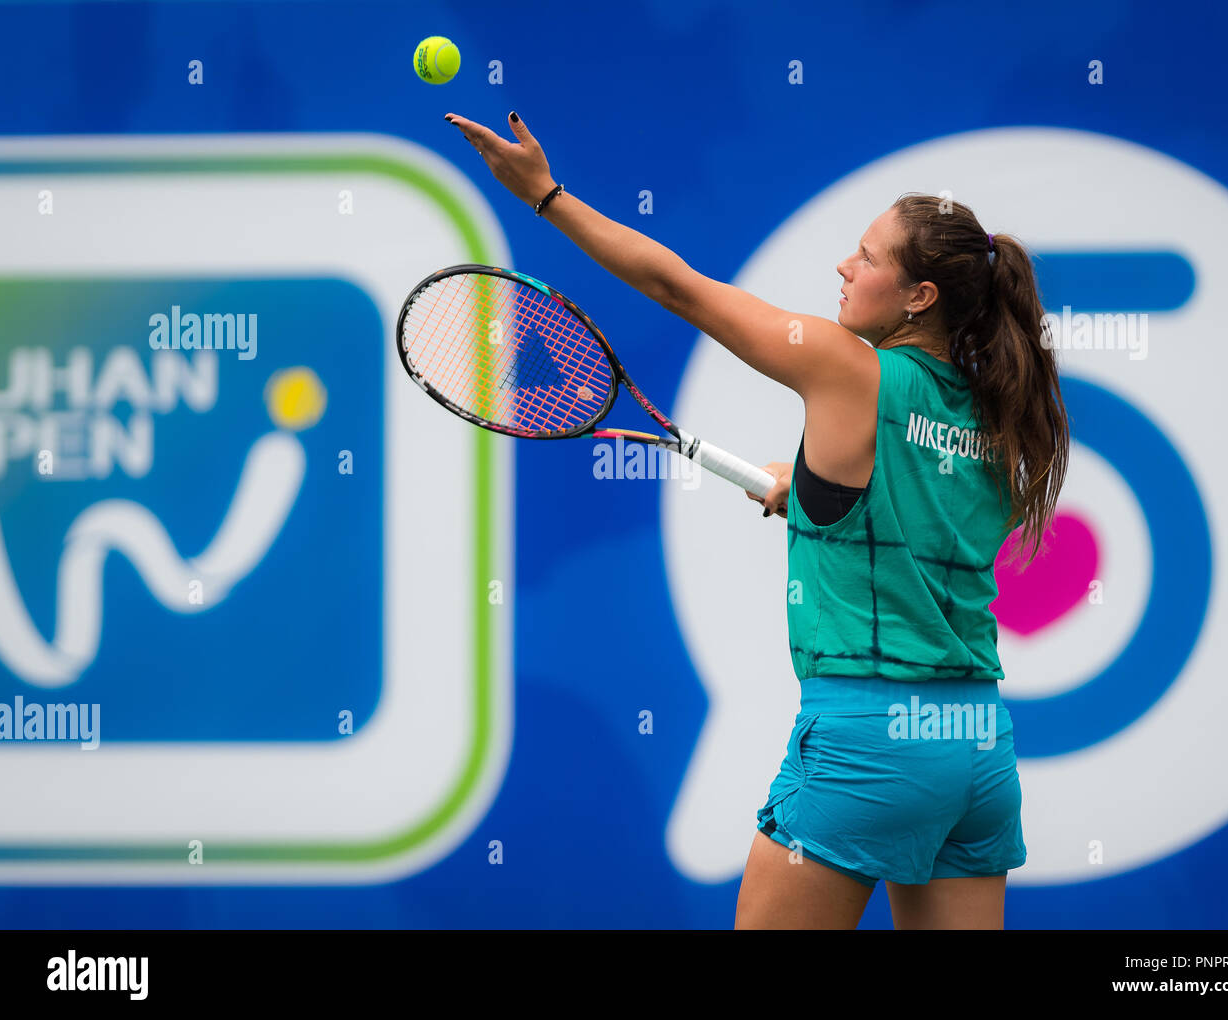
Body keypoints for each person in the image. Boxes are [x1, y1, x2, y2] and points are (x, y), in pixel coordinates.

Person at [445, 110, 1070, 929]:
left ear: (920, 296)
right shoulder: (999, 412)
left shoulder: (848, 368)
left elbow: (678, 288)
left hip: (866, 748)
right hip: (974, 750)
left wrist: (546, 196)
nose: (844, 266)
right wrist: (809, 490)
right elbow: (912, 514)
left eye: (869, 258)